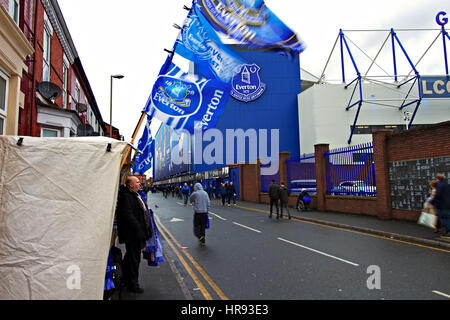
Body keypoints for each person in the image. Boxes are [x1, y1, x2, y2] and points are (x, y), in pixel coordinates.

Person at [116, 176, 152, 293]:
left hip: (138, 234)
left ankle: (125, 278)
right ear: (130, 185)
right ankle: (133, 284)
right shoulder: (126, 197)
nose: (139, 183)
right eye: (137, 182)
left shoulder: (135, 194)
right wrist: (139, 229)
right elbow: (128, 216)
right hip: (133, 235)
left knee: (131, 258)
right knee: (134, 259)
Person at [430, 174, 450, 238]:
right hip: (449, 205)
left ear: (437, 179)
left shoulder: (439, 185)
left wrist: (432, 202)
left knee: (443, 218)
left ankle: (449, 231)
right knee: (447, 218)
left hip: (442, 205)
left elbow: (437, 195)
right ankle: (447, 232)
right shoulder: (447, 184)